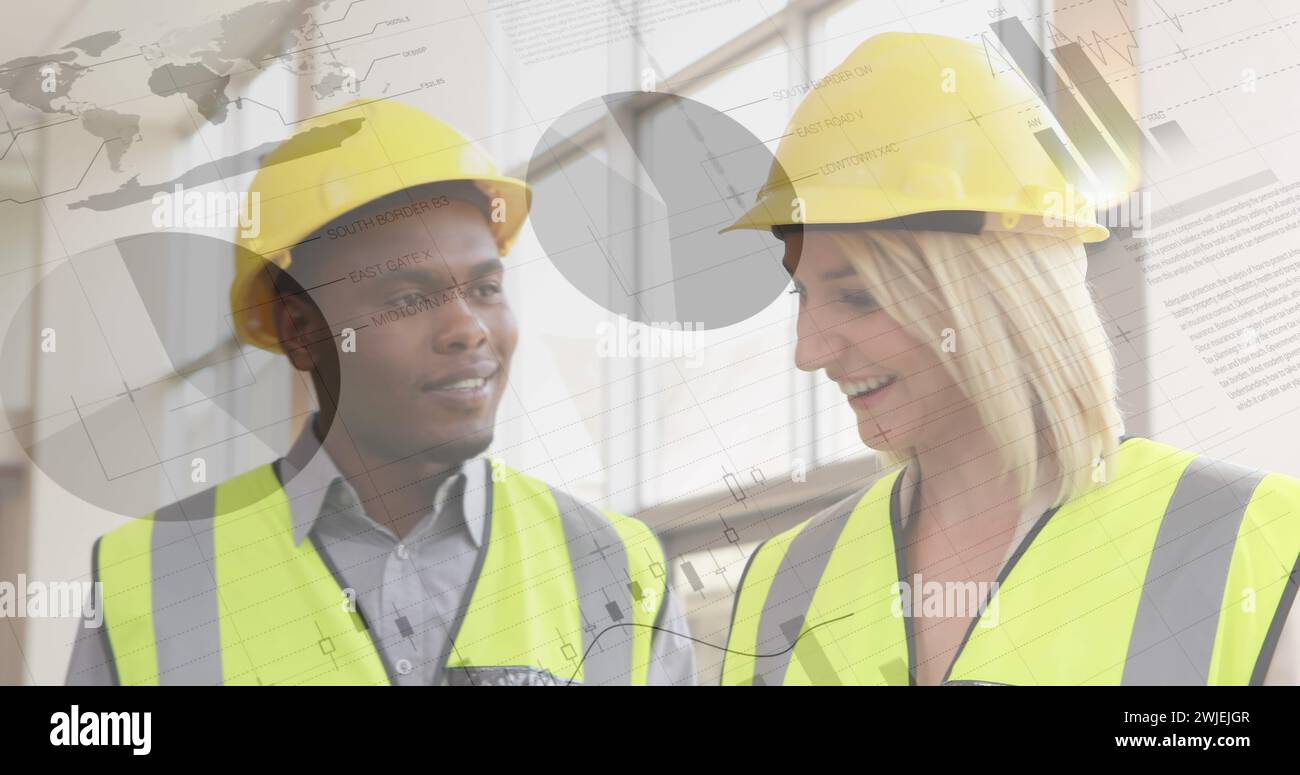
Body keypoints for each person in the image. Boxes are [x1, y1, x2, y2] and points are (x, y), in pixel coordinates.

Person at [720, 32, 1299, 685]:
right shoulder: (783, 580)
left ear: (999, 295)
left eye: (858, 296)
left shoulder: (1251, 540)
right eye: (803, 293)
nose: (809, 351)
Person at [65, 98, 697, 686]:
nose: (469, 330)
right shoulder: (147, 574)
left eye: (484, 289)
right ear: (301, 331)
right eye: (408, 298)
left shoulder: (619, 563)